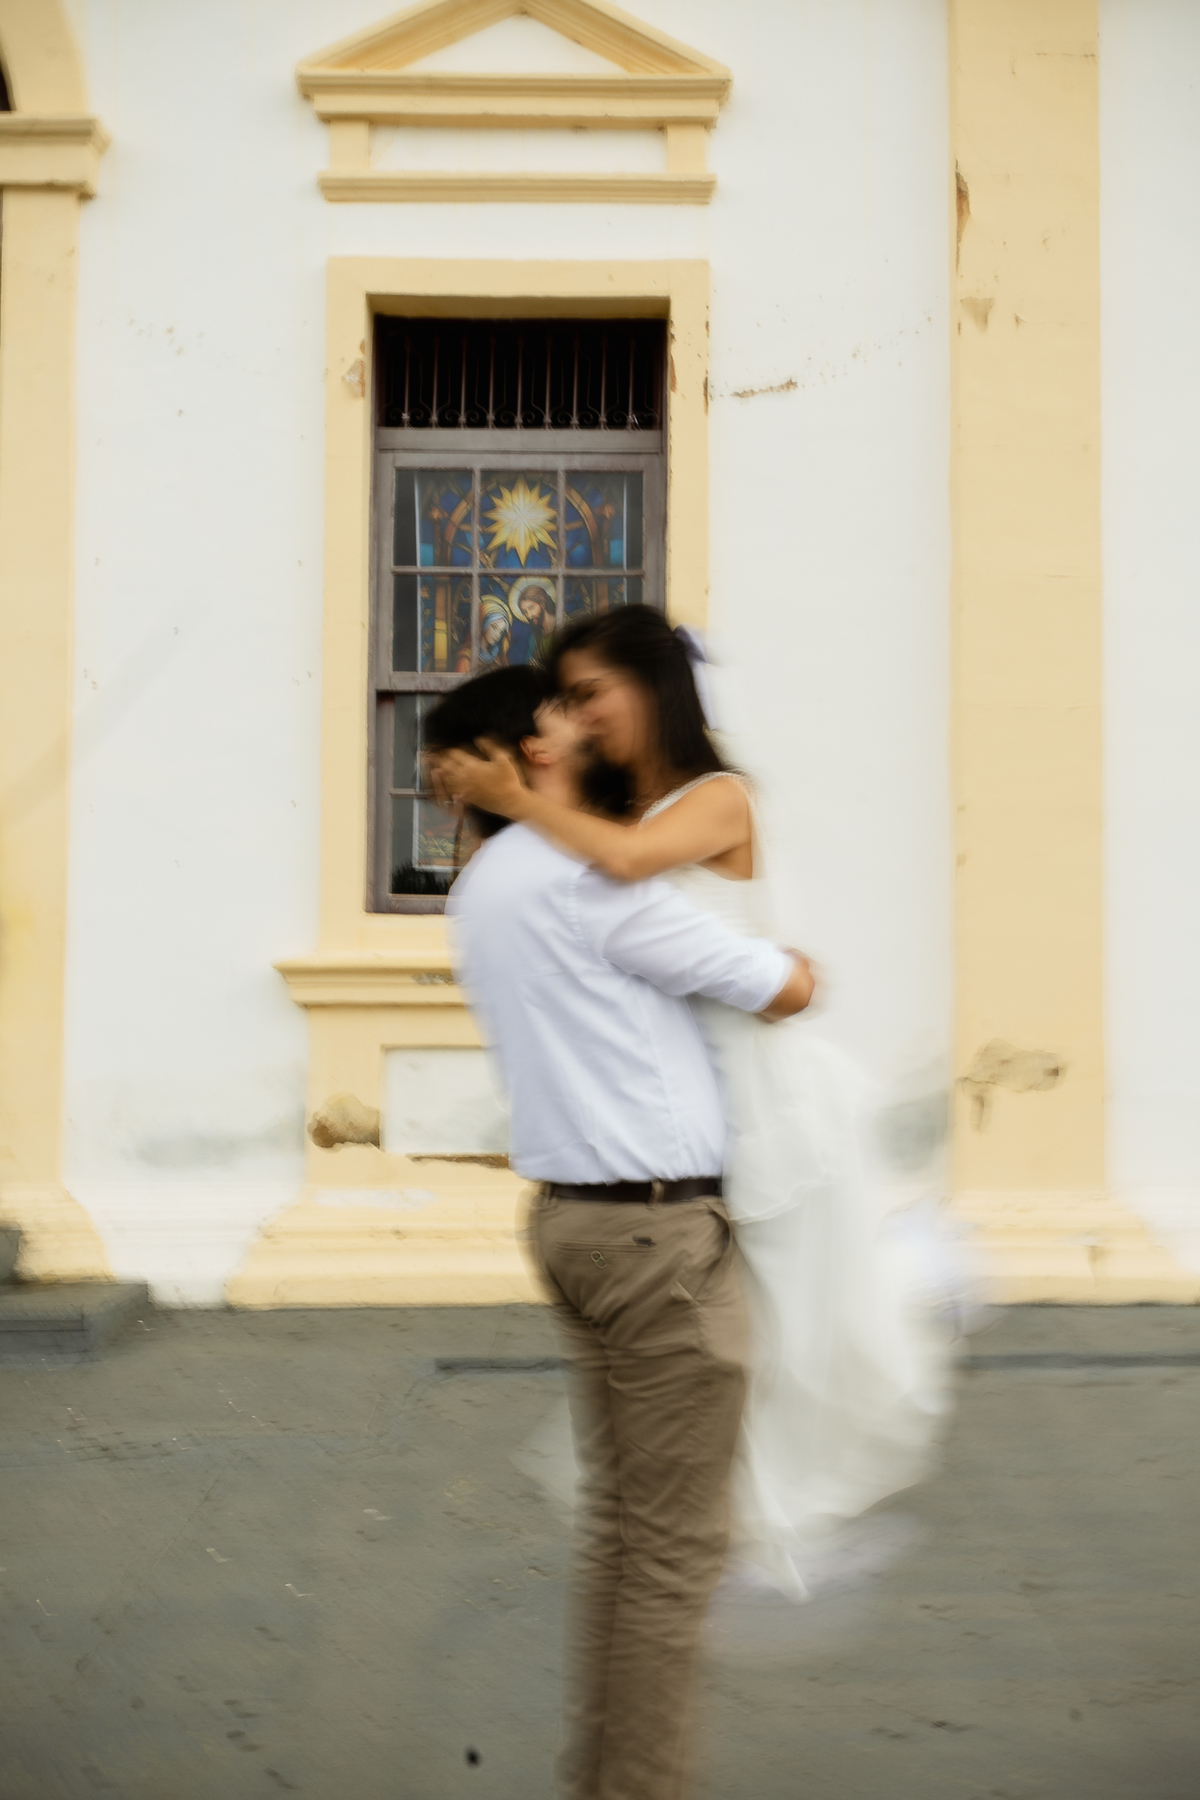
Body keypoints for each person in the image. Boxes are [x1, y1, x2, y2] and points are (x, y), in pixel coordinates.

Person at [436, 606, 953, 1597]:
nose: (581, 720)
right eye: (566, 703)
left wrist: (515, 792)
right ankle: (752, 1521)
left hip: (762, 1094)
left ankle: (800, 1489)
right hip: (690, 1099)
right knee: (738, 1334)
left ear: (654, 688)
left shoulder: (718, 798)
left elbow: (625, 872)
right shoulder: (618, 821)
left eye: (591, 694)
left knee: (806, 1320)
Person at [423, 665, 814, 1800]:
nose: (586, 721)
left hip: (573, 1229)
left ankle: (598, 1780)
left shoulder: (486, 882)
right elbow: (777, 987)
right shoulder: (583, 884)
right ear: (529, 756)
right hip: (657, 1245)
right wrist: (795, 967)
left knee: (624, 1536)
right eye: (562, 712)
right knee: (675, 1556)